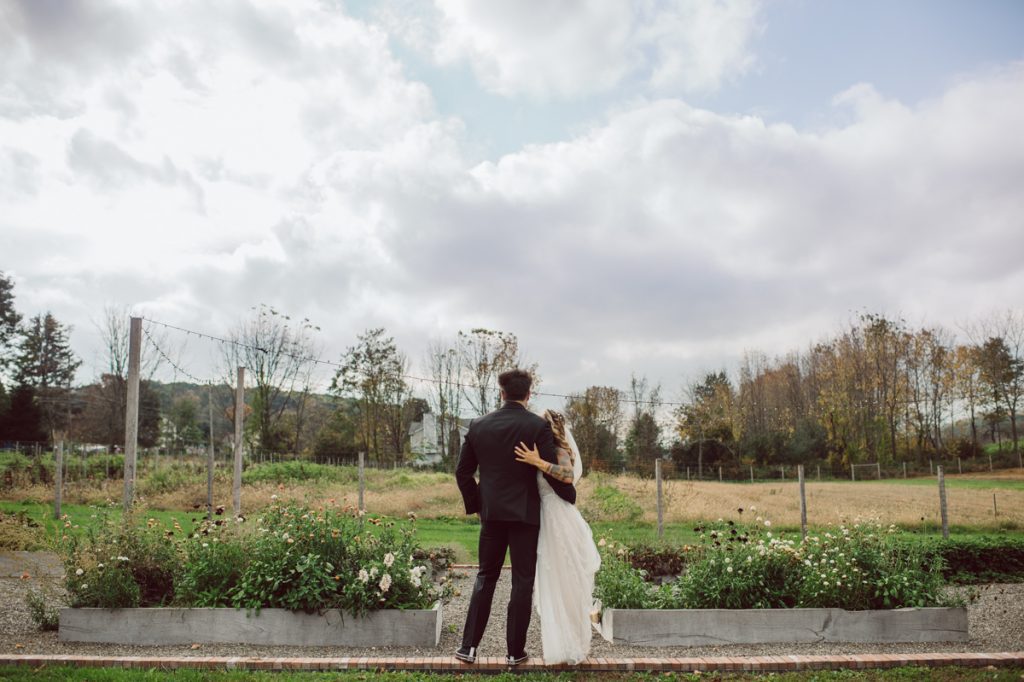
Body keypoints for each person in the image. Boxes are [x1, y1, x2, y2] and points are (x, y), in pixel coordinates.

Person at [454, 369, 576, 666]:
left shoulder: (478, 426)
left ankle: (468, 648)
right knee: (522, 581)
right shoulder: (537, 427)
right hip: (525, 516)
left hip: (492, 515)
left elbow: (463, 472)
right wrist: (568, 496)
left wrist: (479, 505)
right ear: (529, 395)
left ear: (502, 393)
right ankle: (514, 653)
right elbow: (551, 468)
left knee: (486, 576)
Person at [513, 410, 601, 665]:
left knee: (569, 582)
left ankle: (574, 644)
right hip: (546, 521)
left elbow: (567, 476)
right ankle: (560, 645)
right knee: (553, 582)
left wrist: (537, 461)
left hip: (561, 520)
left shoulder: (556, 450)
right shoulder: (540, 448)